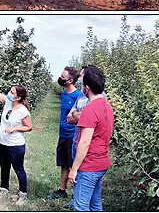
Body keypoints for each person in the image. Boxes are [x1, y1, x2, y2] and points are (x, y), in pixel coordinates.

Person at [0, 73, 33, 206]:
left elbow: (29, 127)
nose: (9, 93)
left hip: (16, 145)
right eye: (10, 90)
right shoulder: (8, 102)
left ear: (18, 97)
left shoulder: (23, 111)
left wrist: (14, 128)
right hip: (2, 142)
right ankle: (4, 189)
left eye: (12, 92)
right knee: (4, 166)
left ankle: (23, 194)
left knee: (18, 168)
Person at [68, 65, 114, 211]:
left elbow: (85, 142)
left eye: (82, 84)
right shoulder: (107, 105)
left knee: (81, 207)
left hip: (89, 165)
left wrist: (74, 169)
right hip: (101, 163)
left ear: (86, 88)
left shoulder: (90, 109)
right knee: (95, 205)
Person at [47, 66, 82, 201]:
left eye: (63, 76)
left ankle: (76, 195)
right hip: (62, 135)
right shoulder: (64, 94)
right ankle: (62, 190)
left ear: (70, 80)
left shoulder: (78, 96)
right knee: (64, 164)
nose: (60, 78)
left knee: (74, 165)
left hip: (72, 136)